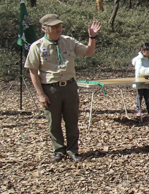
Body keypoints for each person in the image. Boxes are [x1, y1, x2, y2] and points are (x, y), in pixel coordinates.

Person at [25, 14, 101, 162]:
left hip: (69, 86)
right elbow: (33, 72)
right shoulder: (37, 47)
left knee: (72, 120)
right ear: (44, 28)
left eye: (59, 25)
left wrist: (92, 37)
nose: (58, 29)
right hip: (50, 88)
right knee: (53, 122)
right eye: (54, 27)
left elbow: (88, 52)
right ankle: (59, 150)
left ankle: (73, 150)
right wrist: (40, 94)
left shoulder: (68, 41)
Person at [131, 42, 149, 116]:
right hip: (140, 81)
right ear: (142, 51)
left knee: (147, 96)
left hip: (147, 81)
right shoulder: (139, 59)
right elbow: (140, 69)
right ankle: (138, 110)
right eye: (147, 52)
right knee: (139, 96)